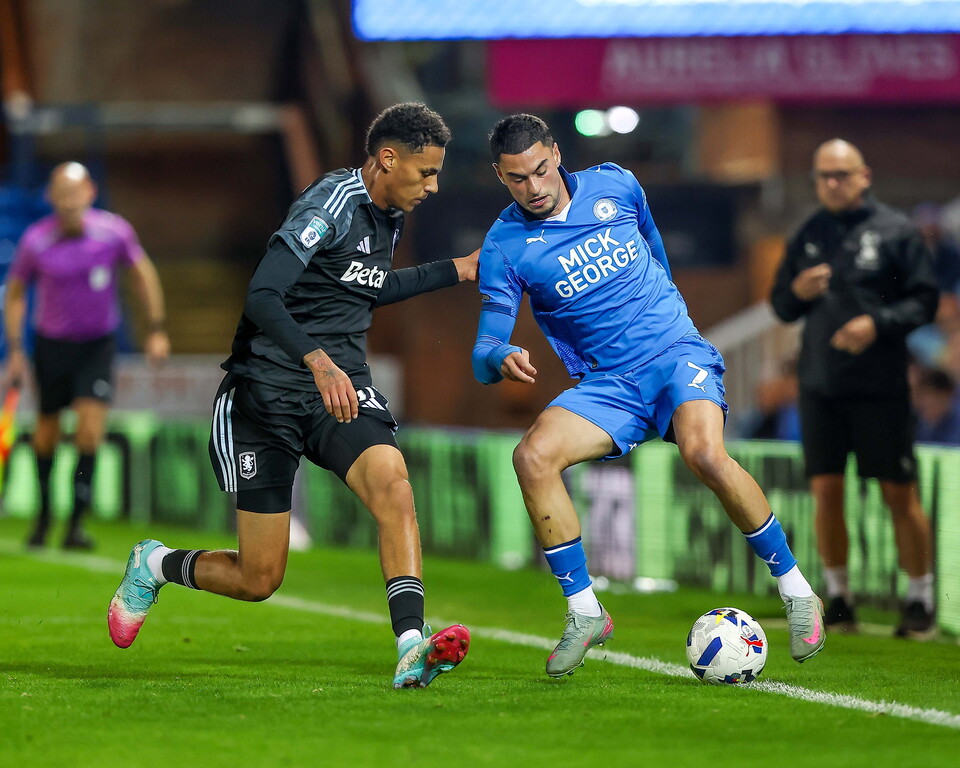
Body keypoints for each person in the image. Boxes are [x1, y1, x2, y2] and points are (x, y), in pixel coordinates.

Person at [106, 103, 474, 689]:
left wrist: (457, 269)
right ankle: (155, 563)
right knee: (259, 579)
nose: (433, 186)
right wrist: (317, 360)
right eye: (426, 172)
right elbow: (263, 296)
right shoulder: (329, 205)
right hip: (267, 394)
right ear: (387, 159)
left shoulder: (390, 215)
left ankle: (411, 643)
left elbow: (366, 287)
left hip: (340, 391)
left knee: (394, 489)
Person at [471, 113, 824, 678]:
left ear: (556, 154)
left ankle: (797, 591)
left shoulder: (617, 184)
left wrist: (668, 321)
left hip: (675, 355)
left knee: (705, 454)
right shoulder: (504, 246)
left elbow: (656, 252)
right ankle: (585, 611)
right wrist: (499, 357)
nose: (533, 187)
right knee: (531, 457)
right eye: (517, 178)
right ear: (500, 176)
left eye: (539, 170)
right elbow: (485, 348)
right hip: (609, 384)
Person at [771, 139, 938, 639]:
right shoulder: (807, 233)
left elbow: (925, 301)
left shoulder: (896, 231)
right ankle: (839, 597)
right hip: (820, 384)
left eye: (841, 174)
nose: (832, 183)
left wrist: (877, 323)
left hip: (879, 386)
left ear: (864, 175)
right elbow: (781, 305)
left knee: (898, 492)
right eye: (823, 175)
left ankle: (920, 599)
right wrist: (796, 292)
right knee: (825, 490)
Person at [2, 162, 170, 549]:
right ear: (51, 196)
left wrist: (156, 329)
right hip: (51, 345)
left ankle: (75, 523)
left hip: (96, 346)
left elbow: (142, 273)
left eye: (74, 192)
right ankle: (44, 515)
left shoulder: (114, 232)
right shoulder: (36, 241)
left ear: (90, 192)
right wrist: (16, 350)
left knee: (90, 430)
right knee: (46, 432)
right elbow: (15, 293)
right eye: (61, 193)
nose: (68, 201)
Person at [912, 366, 960, 446]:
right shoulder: (920, 423)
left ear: (946, 396)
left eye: (932, 400)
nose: (925, 404)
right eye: (923, 399)